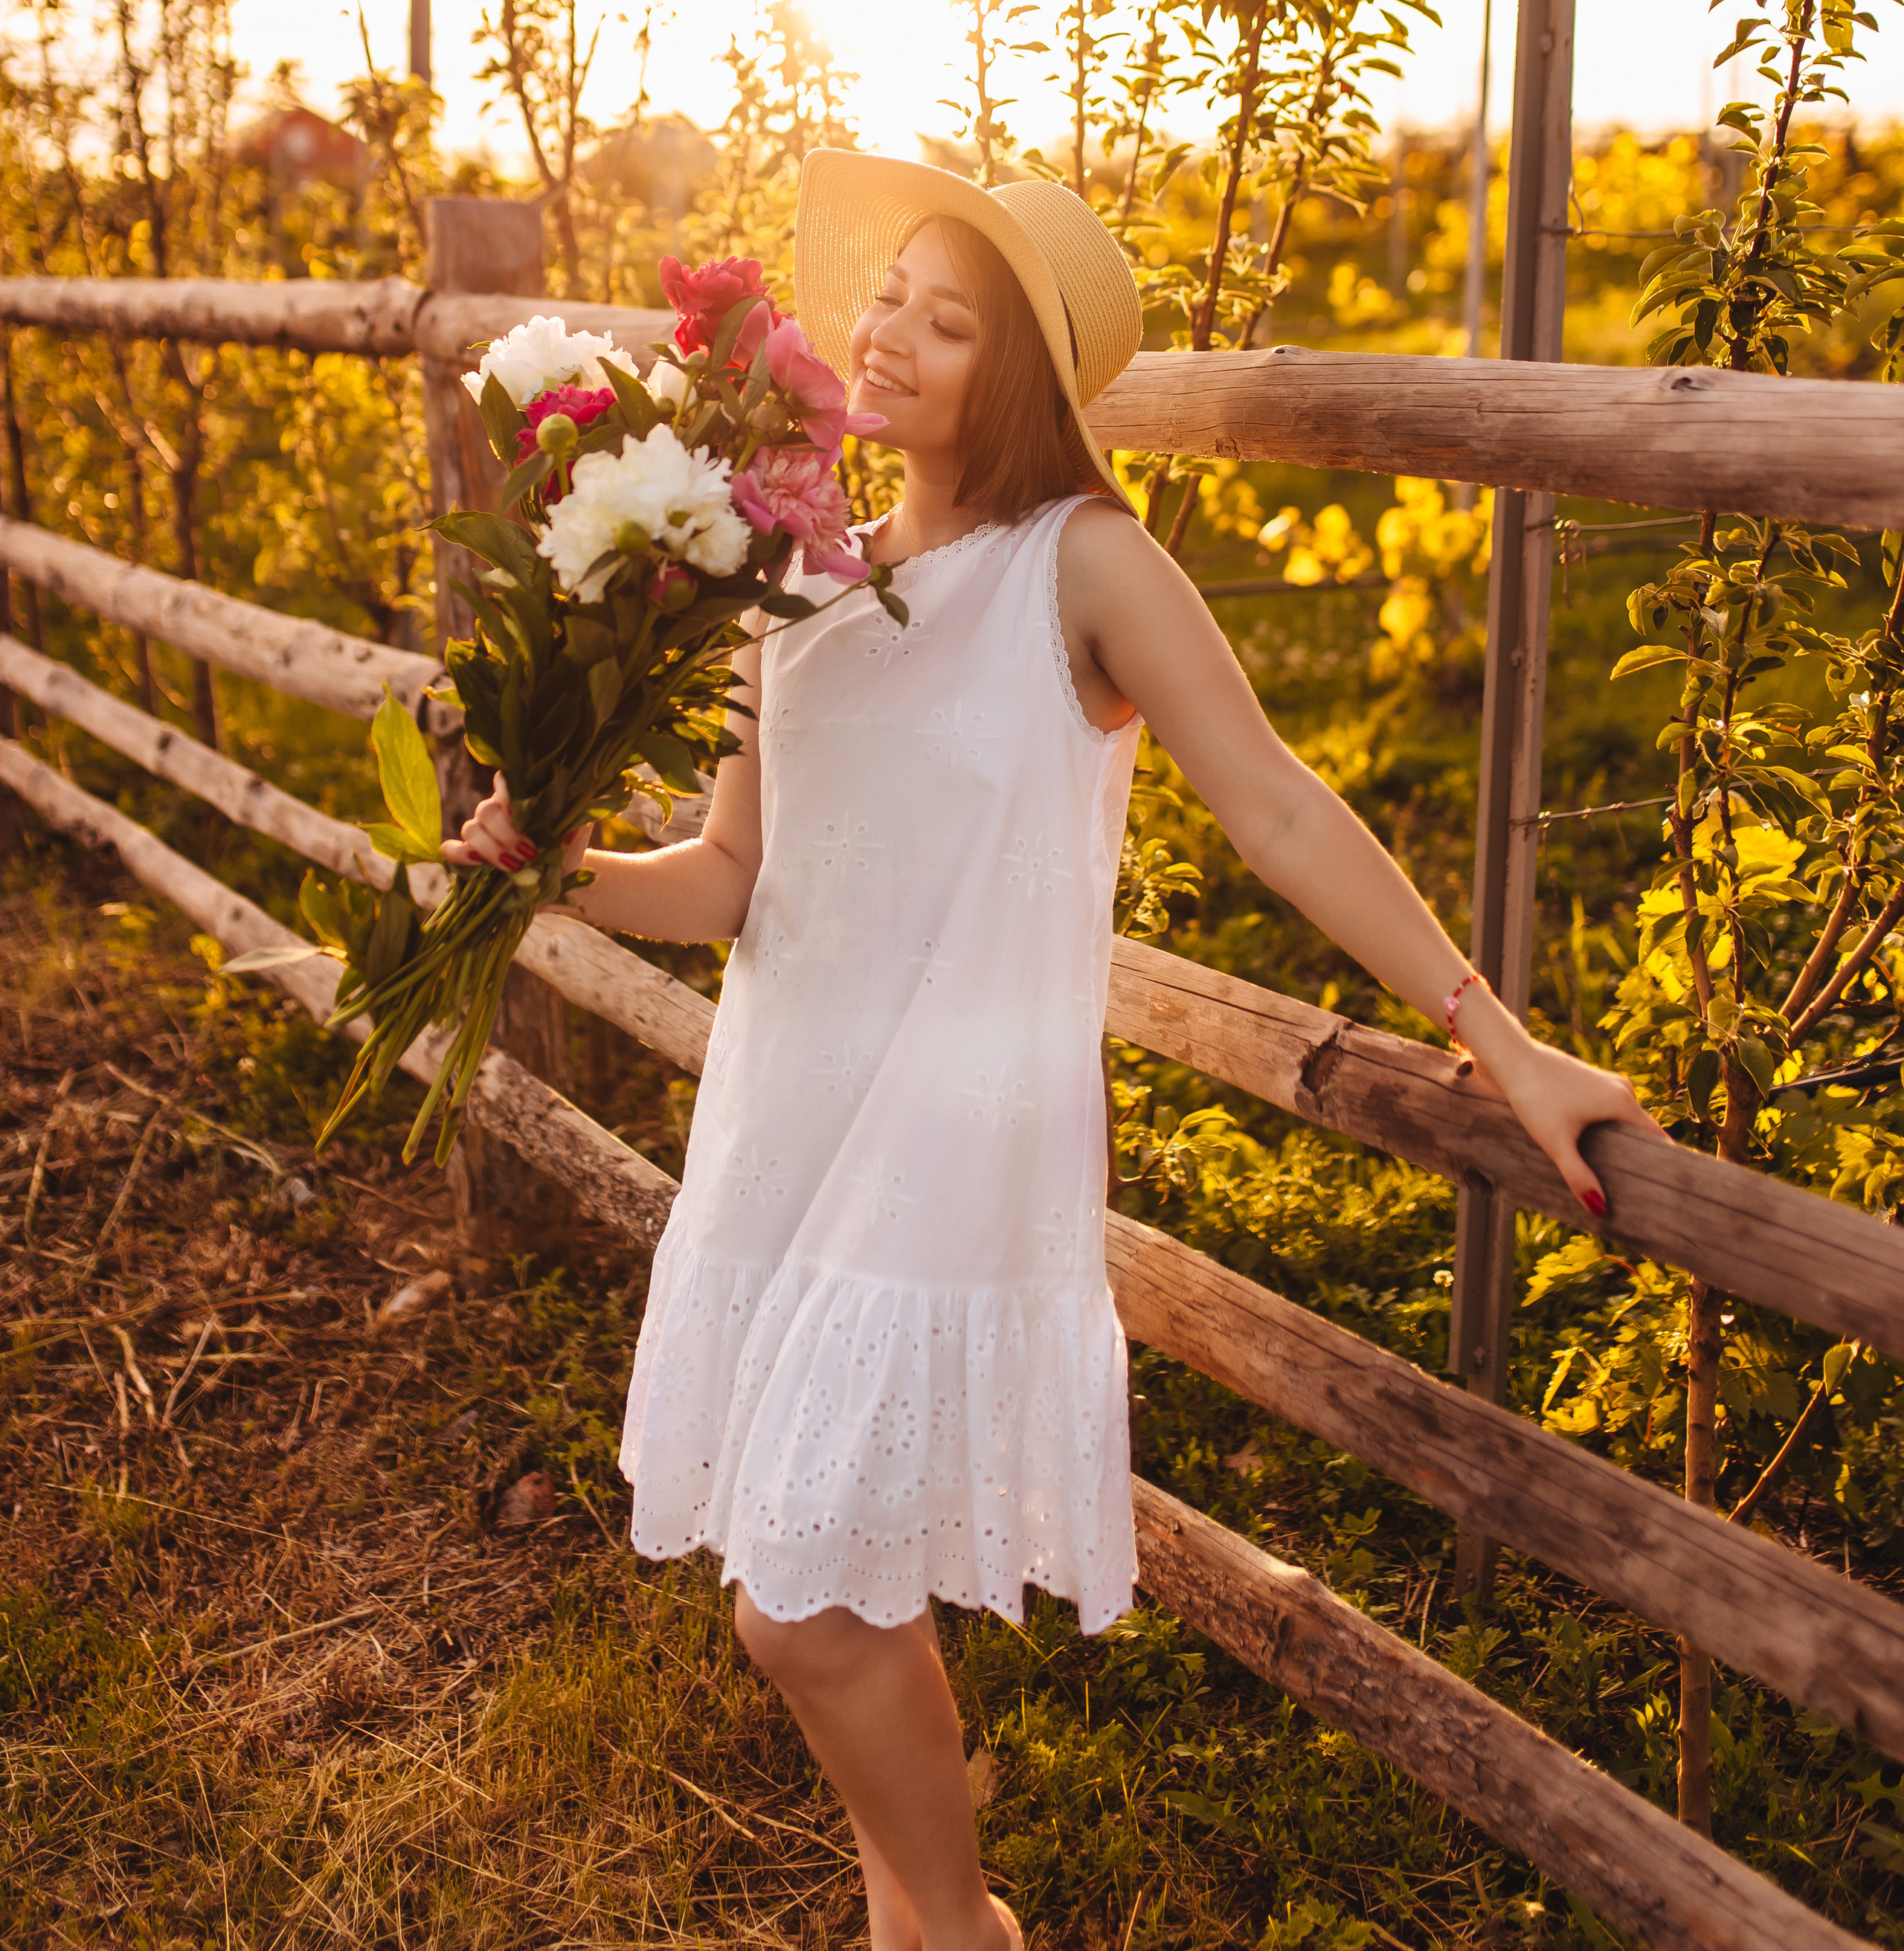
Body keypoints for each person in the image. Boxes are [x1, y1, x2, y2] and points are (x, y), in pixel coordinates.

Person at [445, 150, 1660, 1951]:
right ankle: (917, 1920)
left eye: (950, 322)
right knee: (846, 1581)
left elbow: (1279, 810)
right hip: (791, 1114)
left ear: (1018, 373)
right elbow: (725, 881)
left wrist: (1501, 1036)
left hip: (957, 1136)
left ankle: (957, 1934)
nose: (892, 338)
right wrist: (557, 872)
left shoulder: (1080, 563)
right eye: (885, 302)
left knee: (797, 1611)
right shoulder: (799, 567)